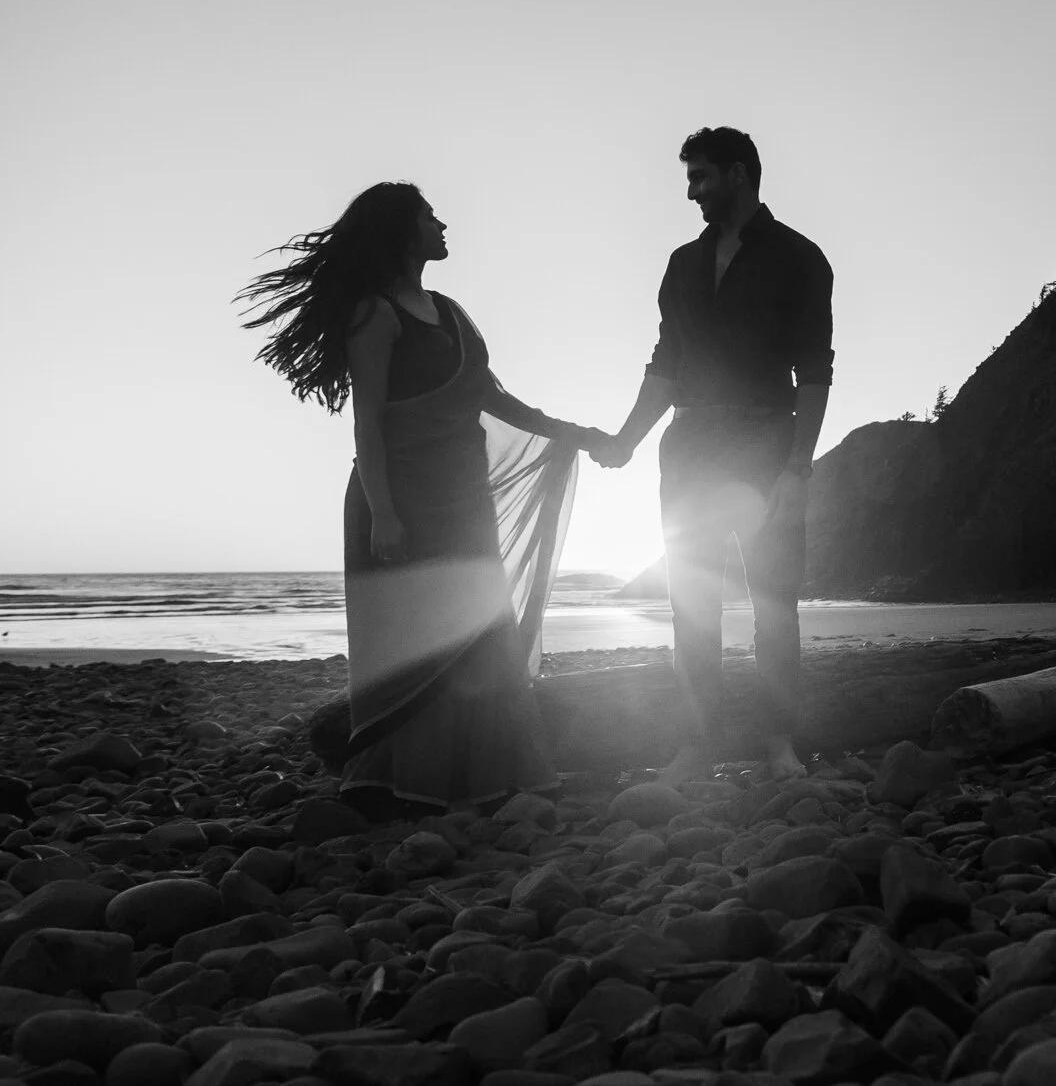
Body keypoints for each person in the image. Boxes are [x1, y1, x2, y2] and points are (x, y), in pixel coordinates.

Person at [240, 181, 604, 813]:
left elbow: (493, 398)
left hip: (463, 499)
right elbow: (368, 422)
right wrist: (383, 511)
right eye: (430, 217)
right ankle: (404, 783)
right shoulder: (375, 313)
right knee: (411, 638)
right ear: (403, 231)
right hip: (399, 501)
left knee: (481, 629)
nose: (442, 225)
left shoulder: (452, 310)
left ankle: (485, 776)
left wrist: (573, 432)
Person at [594, 128, 833, 783]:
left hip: (765, 440)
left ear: (738, 173)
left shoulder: (799, 258)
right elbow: (666, 363)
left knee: (774, 601)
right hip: (690, 445)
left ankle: (780, 745)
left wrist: (798, 467)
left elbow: (815, 371)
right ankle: (696, 748)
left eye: (701, 177)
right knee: (692, 603)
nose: (693, 191)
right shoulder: (682, 264)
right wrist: (626, 438)